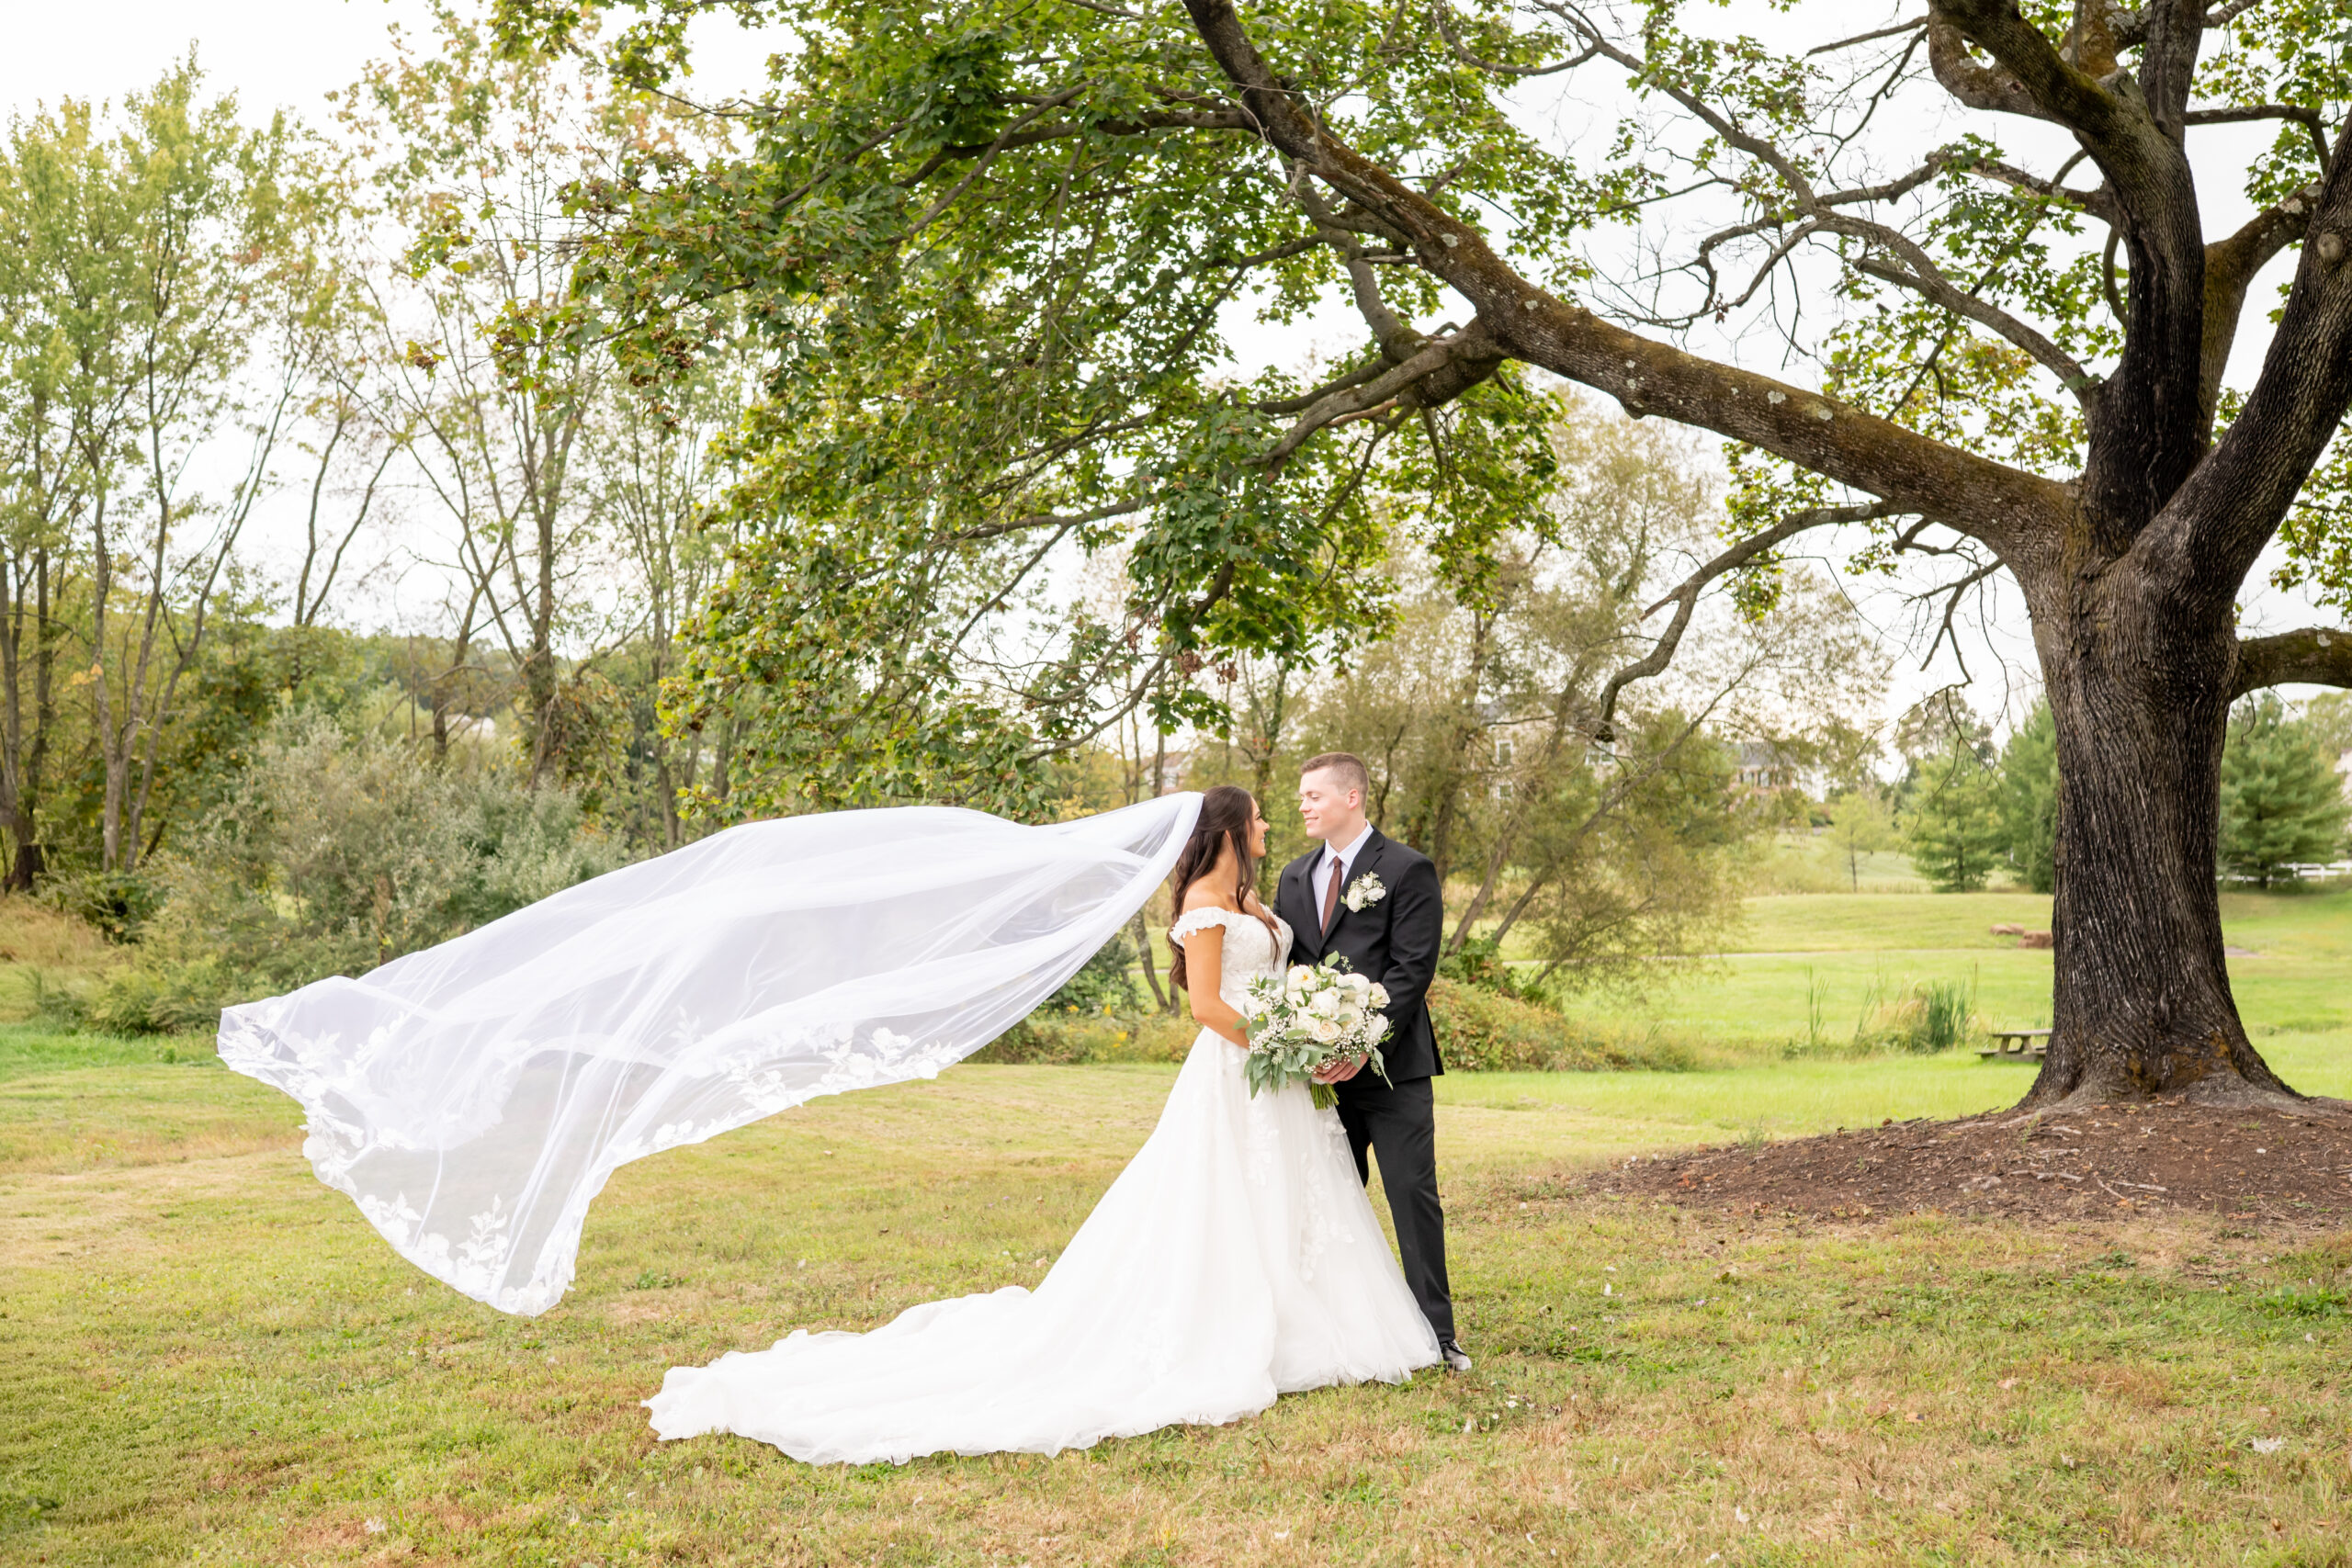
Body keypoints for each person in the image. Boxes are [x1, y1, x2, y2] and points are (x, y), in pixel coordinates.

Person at [640, 784, 1440, 1463]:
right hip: (1235, 1072)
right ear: (1230, 831)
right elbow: (1205, 1007)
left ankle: (1310, 1317)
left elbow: (1279, 972)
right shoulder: (1203, 905)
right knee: (1221, 1197)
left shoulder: (1254, 902)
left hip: (1277, 1076)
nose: (1269, 828)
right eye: (1260, 819)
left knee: (1292, 1198)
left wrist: (1310, 1029)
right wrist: (1283, 1046)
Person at [1275, 752, 1469, 1372]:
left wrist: (1363, 1047)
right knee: (1329, 1198)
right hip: (1319, 1077)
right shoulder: (1293, 875)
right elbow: (1292, 970)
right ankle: (1333, 1329)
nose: (1302, 805)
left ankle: (1437, 1334)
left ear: (1351, 797)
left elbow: (1411, 970)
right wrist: (1309, 1046)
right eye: (1301, 796)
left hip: (1391, 1068)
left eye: (1313, 795)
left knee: (1412, 1194)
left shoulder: (1408, 869)